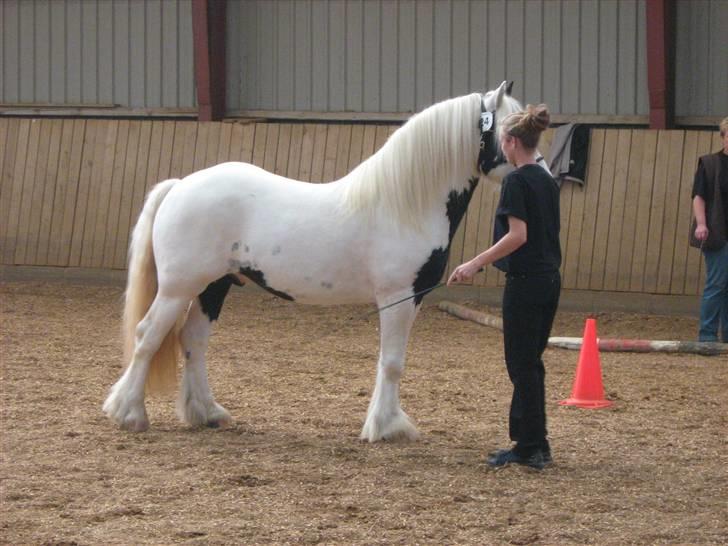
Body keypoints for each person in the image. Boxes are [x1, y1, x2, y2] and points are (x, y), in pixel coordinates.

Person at [448, 104, 561, 470]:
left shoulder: (516, 180)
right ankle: (535, 442)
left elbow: (518, 235)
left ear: (512, 142)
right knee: (532, 363)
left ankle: (529, 447)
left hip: (526, 283)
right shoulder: (545, 177)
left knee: (521, 364)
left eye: (503, 143)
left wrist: (473, 263)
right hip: (548, 280)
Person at [691, 117, 728, 342]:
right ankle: (707, 336)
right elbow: (699, 196)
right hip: (718, 233)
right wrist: (701, 224)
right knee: (716, 284)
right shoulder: (710, 164)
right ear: (723, 137)